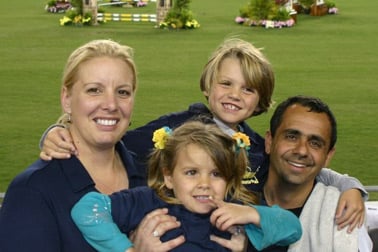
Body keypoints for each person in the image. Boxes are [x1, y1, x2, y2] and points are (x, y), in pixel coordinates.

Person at [39, 38, 366, 241]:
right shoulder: (177, 128)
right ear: (208, 85)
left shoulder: (254, 147)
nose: (235, 96)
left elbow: (299, 166)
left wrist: (348, 185)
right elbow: (112, 140)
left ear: (260, 100)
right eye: (226, 83)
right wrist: (58, 129)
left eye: (248, 89)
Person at [0, 39, 183, 251]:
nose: (111, 105)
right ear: (66, 98)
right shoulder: (33, 190)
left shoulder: (154, 174)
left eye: (122, 92)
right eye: (94, 90)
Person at [71, 120, 302, 252]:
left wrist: (252, 214)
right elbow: (87, 209)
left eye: (216, 174)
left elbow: (292, 229)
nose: (204, 184)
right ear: (169, 177)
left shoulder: (233, 212)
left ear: (229, 179)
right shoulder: (148, 202)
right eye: (191, 173)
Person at [259, 95, 372, 251]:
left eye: (315, 143)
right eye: (291, 137)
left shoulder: (347, 218)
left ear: (328, 156)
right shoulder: (233, 196)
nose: (301, 151)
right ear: (269, 141)